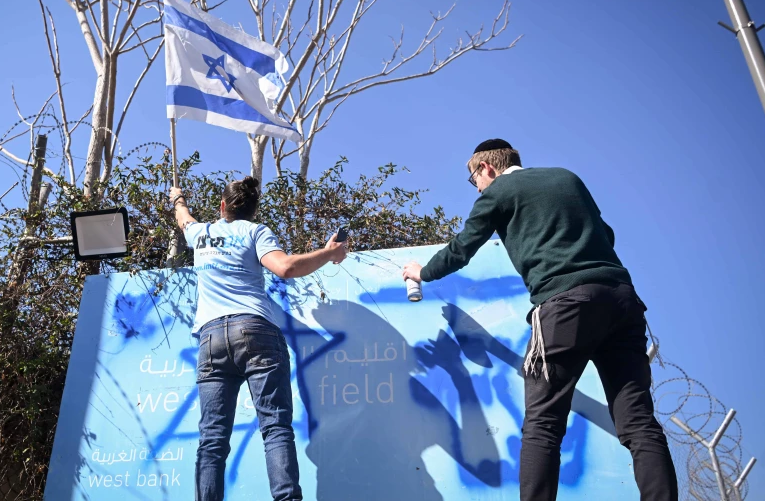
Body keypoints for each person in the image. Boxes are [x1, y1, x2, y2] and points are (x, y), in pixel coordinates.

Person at [402, 139, 678, 501]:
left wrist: (423, 272)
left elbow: (462, 248)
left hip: (565, 305)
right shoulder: (567, 178)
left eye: (474, 181)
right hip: (622, 300)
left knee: (543, 426)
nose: (477, 187)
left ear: (486, 168)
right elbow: (605, 233)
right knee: (639, 422)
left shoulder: (499, 190)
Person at [170, 177, 348, 501]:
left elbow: (184, 219)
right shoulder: (255, 232)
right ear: (253, 210)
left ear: (222, 207)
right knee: (275, 428)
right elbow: (285, 268)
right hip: (254, 330)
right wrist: (328, 253)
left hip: (211, 339)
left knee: (212, 440)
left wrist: (178, 198)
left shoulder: (201, 234)